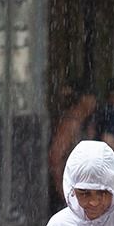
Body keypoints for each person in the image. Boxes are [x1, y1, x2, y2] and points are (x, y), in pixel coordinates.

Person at [48, 85, 96, 215]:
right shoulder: (70, 124)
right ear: (83, 99)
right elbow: (55, 157)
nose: (94, 102)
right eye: (92, 98)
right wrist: (63, 191)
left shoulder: (82, 123)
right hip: (68, 190)